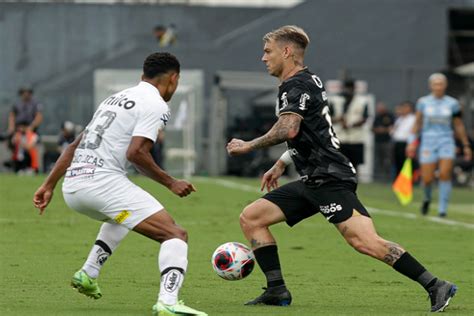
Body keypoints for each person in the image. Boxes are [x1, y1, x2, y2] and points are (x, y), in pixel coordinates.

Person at [226, 25, 457, 313]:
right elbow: (314, 132)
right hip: (314, 178)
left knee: (365, 242)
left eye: (267, 51)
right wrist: (282, 162)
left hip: (330, 178)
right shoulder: (307, 80)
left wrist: (248, 145)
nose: (263, 58)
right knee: (252, 218)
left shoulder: (295, 85)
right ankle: (276, 290)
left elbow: (289, 127)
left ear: (286, 52)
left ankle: (436, 284)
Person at [33, 52, 207, 316]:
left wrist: (48, 185)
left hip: (74, 188)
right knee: (175, 234)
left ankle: (88, 273)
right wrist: (171, 182)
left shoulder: (113, 99)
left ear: (142, 76)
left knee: (122, 215)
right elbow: (136, 154)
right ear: (173, 79)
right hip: (102, 184)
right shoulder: (156, 104)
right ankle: (168, 302)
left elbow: (74, 145)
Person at [406, 73, 472, 217]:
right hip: (428, 142)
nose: (438, 87)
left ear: (445, 85)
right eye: (435, 84)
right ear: (431, 86)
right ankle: (427, 198)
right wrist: (411, 142)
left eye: (441, 84)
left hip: (446, 141)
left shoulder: (453, 103)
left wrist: (466, 145)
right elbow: (417, 124)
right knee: (428, 178)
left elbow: (459, 125)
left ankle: (443, 209)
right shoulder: (423, 102)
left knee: (444, 173)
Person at [330, 79, 369, 172]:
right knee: (339, 164)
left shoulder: (362, 101)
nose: (348, 91)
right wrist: (338, 119)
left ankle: (353, 183)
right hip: (340, 138)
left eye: (350, 88)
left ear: (354, 88)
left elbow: (365, 118)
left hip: (356, 138)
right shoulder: (335, 100)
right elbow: (327, 117)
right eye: (346, 88)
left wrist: (350, 125)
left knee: (354, 165)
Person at [392, 101, 416, 175]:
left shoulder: (413, 118)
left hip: (407, 143)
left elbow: (413, 132)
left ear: (410, 108)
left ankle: (408, 180)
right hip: (397, 142)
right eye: (403, 107)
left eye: (406, 107)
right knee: (397, 162)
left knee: (406, 162)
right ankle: (398, 180)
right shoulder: (399, 119)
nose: (403, 109)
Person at [371, 102, 394, 181]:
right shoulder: (377, 117)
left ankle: (388, 177)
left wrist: (383, 130)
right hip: (378, 141)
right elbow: (373, 128)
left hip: (387, 141)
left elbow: (392, 128)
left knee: (387, 160)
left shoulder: (390, 116)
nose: (379, 110)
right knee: (379, 159)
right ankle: (379, 178)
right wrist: (378, 130)